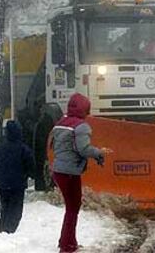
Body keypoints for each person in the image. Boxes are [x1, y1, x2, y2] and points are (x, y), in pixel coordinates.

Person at [52, 93, 109, 253]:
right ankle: (67, 245)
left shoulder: (60, 123)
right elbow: (83, 149)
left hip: (59, 170)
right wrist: (99, 152)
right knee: (73, 208)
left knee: (71, 207)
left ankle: (68, 241)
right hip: (70, 172)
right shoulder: (81, 126)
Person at [0, 120, 35, 234]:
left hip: (3, 184)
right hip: (18, 185)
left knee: (5, 210)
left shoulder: (0, 148)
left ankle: (2, 232)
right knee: (16, 212)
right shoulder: (23, 148)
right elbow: (30, 165)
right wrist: (29, 175)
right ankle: (9, 233)